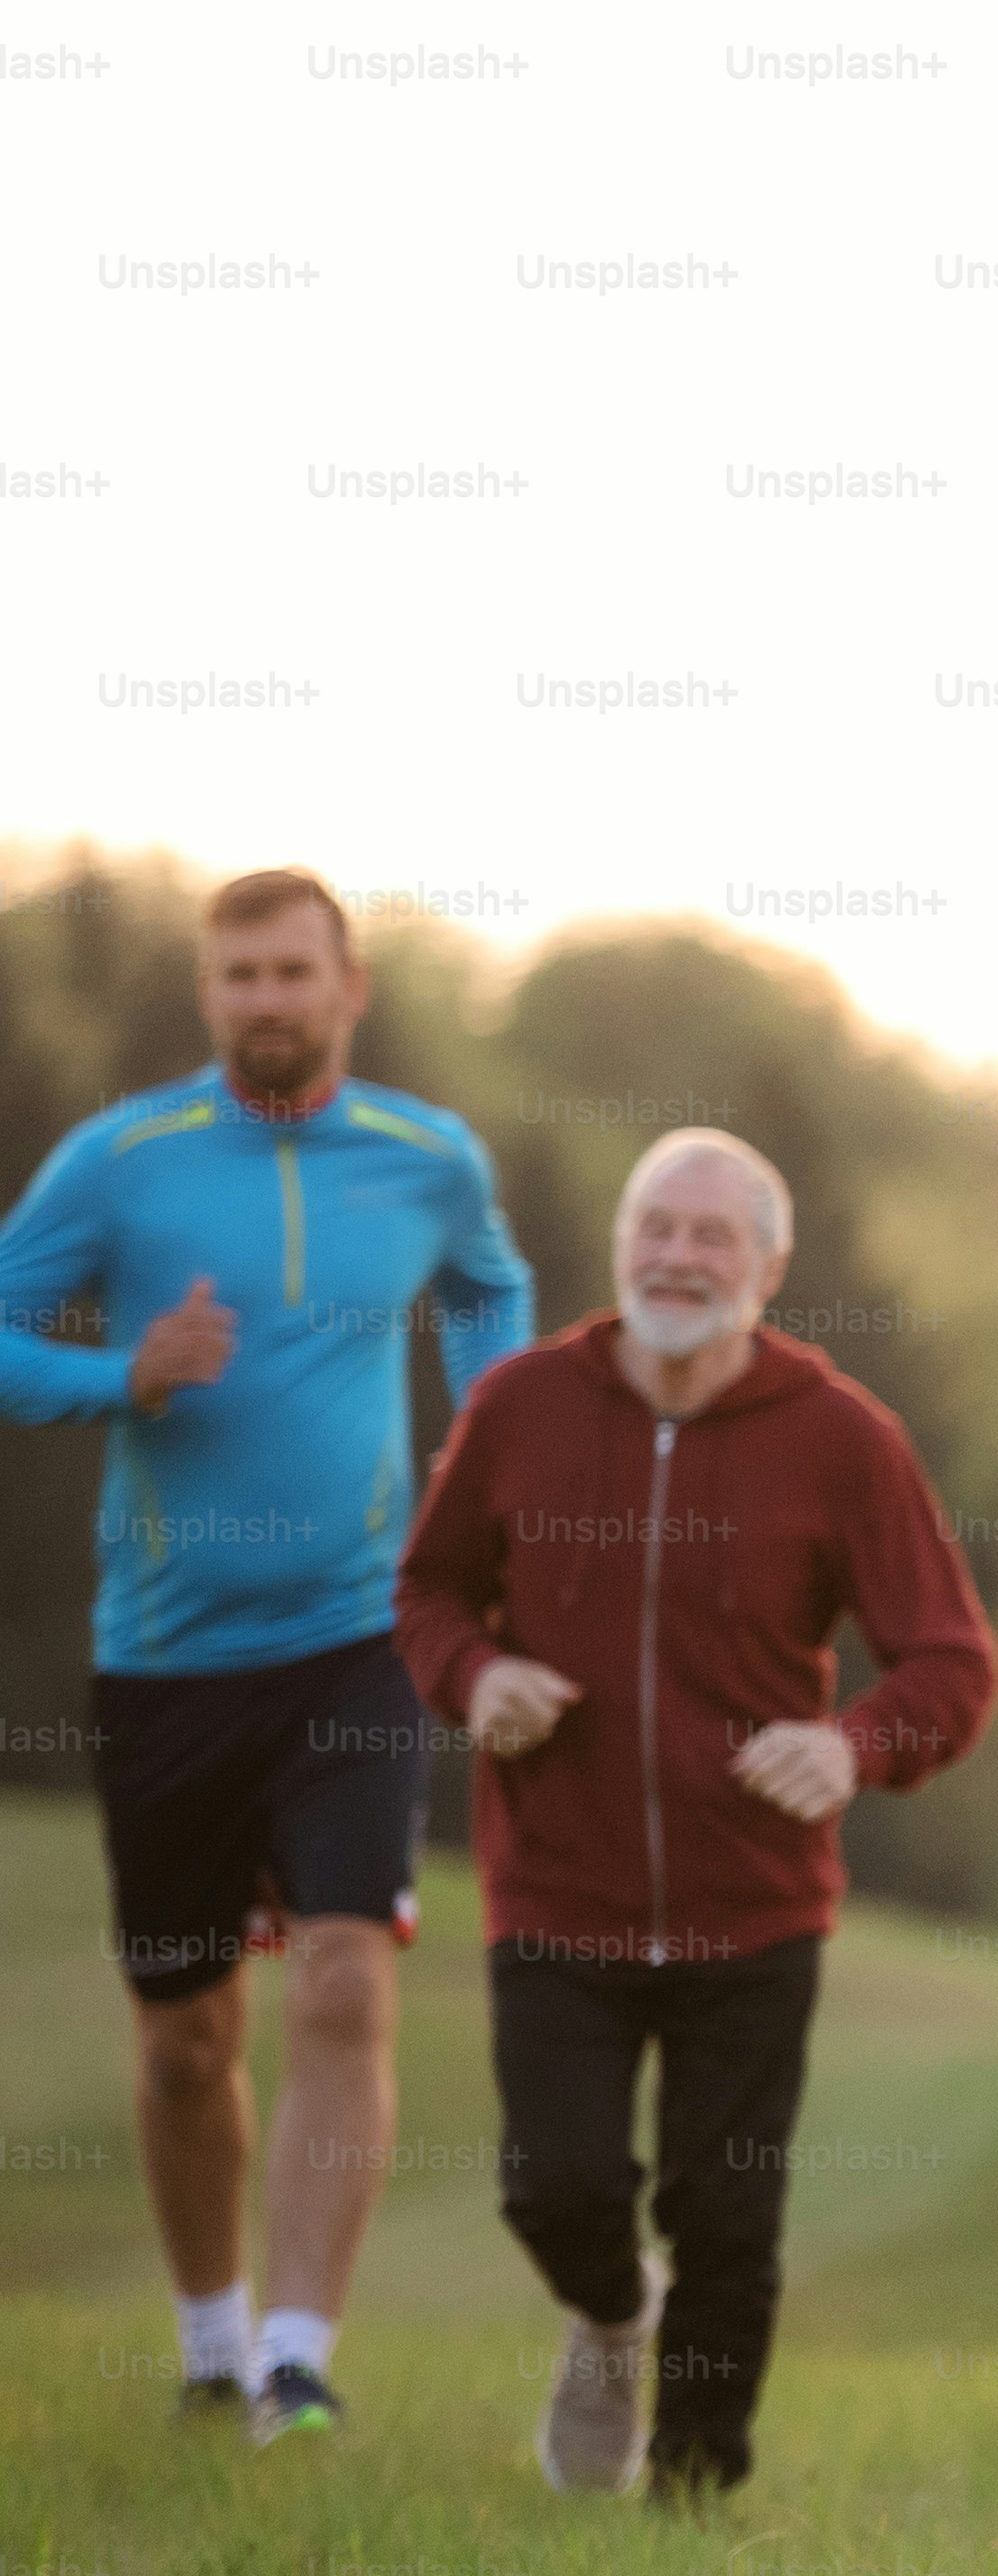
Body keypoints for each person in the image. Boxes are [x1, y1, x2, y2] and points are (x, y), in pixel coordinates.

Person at [0, 867, 535, 2445]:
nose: (266, 1002)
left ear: (348, 986)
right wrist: (121, 1379)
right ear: (208, 996)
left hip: (358, 1641)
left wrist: (482, 1457)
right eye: (237, 978)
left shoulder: (430, 1160)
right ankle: (212, 2344)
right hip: (167, 1654)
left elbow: (494, 1289)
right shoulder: (122, 1162)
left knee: (347, 1984)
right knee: (184, 2042)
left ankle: (298, 2366)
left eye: (293, 973)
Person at [393, 1128, 998, 2497]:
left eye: (711, 1236)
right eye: (655, 1227)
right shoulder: (522, 1408)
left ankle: (691, 2495)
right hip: (558, 1886)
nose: (677, 1256)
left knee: (727, 2219)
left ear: (770, 1268)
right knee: (558, 2188)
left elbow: (953, 1663)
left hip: (753, 1906)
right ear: (619, 1247)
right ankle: (612, 2317)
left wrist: (855, 1747)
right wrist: (474, 1675)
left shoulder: (844, 1439)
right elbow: (426, 1592)